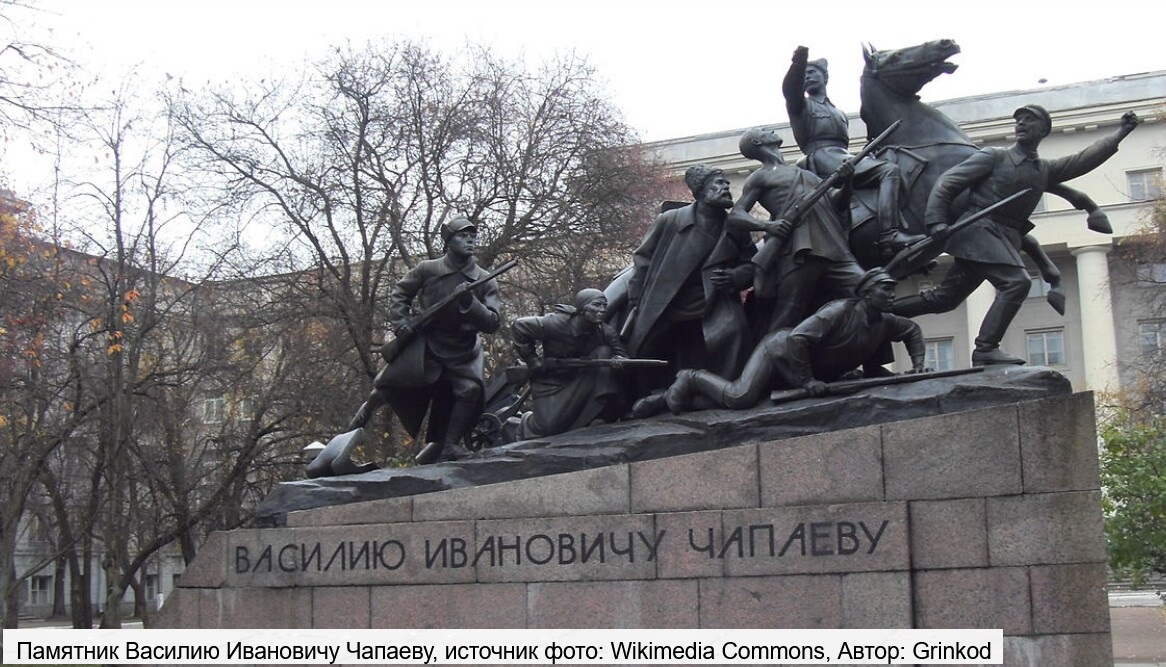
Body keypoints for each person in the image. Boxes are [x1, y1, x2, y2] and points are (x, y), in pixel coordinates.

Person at [893, 106, 1140, 365]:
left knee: (946, 299)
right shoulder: (994, 157)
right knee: (1017, 283)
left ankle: (880, 312)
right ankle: (986, 348)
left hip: (1003, 237)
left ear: (1043, 130)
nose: (1021, 124)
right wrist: (936, 220)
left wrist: (1120, 133)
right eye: (1018, 120)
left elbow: (1082, 161)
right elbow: (948, 182)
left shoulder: (1043, 169)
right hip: (978, 229)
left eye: (1029, 120)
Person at [663, 268, 926, 414]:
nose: (892, 295)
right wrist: (807, 381)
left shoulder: (885, 321)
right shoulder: (839, 312)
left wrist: (918, 364)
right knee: (740, 397)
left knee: (756, 401)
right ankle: (691, 377)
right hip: (779, 350)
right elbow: (798, 338)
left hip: (804, 365)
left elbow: (912, 330)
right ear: (868, 293)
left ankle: (664, 401)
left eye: (892, 290)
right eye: (886, 290)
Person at [347, 216, 501, 464]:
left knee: (470, 390)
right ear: (448, 241)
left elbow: (493, 322)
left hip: (463, 349)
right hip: (426, 342)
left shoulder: (484, 278)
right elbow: (400, 293)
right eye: (463, 235)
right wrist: (401, 324)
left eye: (473, 235)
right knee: (384, 389)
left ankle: (450, 445)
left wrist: (470, 303)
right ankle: (350, 431)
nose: (470, 240)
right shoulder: (427, 269)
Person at [625, 164, 757, 391]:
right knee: (643, 350)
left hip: (714, 302)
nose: (726, 187)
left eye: (726, 182)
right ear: (701, 191)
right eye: (719, 183)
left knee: (734, 336)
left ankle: (722, 393)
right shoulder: (671, 220)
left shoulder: (735, 226)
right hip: (665, 301)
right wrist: (637, 302)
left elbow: (753, 264)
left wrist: (735, 276)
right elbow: (643, 259)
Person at [784, 45, 922, 258]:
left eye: (812, 72)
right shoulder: (800, 106)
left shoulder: (839, 113)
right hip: (821, 157)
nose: (806, 77)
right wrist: (798, 63)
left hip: (842, 155)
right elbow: (790, 88)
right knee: (888, 171)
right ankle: (889, 234)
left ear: (825, 77)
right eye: (804, 74)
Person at [734, 127, 866, 333]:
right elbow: (736, 215)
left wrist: (848, 181)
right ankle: (766, 360)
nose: (770, 130)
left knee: (868, 292)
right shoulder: (760, 177)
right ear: (757, 143)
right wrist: (769, 225)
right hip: (799, 251)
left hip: (834, 247)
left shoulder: (807, 175)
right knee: (786, 319)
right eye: (763, 131)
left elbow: (837, 202)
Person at [511, 289, 628, 438]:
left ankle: (599, 415)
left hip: (583, 378)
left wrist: (619, 360)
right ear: (582, 307)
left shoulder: (605, 332)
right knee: (547, 428)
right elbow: (519, 327)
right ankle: (518, 424)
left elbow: (624, 357)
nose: (602, 310)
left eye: (604, 306)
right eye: (597, 305)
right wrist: (532, 360)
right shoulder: (556, 323)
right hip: (551, 381)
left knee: (604, 352)